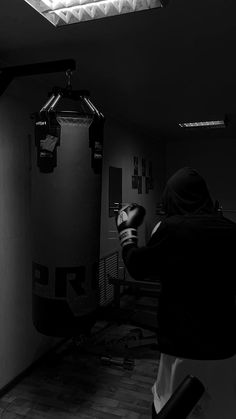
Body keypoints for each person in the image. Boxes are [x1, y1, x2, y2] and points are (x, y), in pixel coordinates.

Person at [115, 167, 236, 418]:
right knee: (221, 410)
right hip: (225, 343)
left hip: (183, 345)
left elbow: (137, 266)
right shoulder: (231, 229)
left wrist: (127, 232)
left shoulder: (172, 228)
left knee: (172, 407)